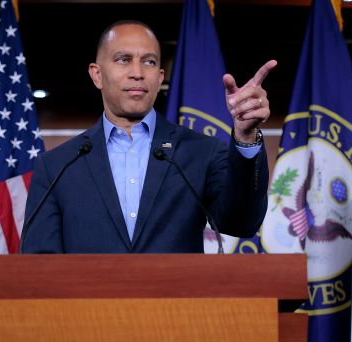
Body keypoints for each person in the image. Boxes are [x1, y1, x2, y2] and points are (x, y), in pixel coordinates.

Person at [21, 20, 275, 253]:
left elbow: (242, 222)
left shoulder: (201, 152)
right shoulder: (56, 166)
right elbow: (40, 263)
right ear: (97, 74)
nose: (138, 72)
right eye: (123, 59)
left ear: (160, 77)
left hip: (175, 303)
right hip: (87, 303)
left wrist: (245, 135)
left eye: (149, 62)